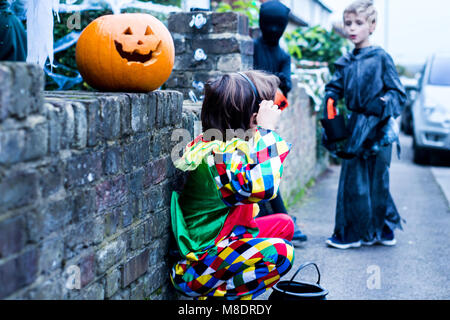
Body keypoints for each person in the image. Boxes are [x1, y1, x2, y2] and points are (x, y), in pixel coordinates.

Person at [170, 70, 295, 300]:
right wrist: (266, 131)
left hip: (224, 245)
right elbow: (264, 188)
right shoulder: (216, 158)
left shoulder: (222, 145)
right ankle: (223, 301)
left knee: (284, 225)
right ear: (248, 117)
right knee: (281, 253)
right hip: (197, 268)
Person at [322, 0, 407, 249]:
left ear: (372, 25)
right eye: (348, 23)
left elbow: (398, 94)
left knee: (377, 182)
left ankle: (383, 230)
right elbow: (334, 87)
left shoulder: (382, 58)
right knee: (352, 180)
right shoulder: (345, 60)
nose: (352, 28)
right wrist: (329, 98)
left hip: (380, 128)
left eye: (358, 23)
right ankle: (350, 233)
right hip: (355, 127)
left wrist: (381, 104)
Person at [253, 0, 307, 244]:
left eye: (278, 25)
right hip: (250, 118)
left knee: (267, 170)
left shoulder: (282, 55)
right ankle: (280, 221)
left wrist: (270, 81)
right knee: (258, 172)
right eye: (269, 24)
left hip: (270, 120)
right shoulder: (253, 48)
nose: (274, 30)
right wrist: (276, 81)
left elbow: (288, 85)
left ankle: (281, 220)